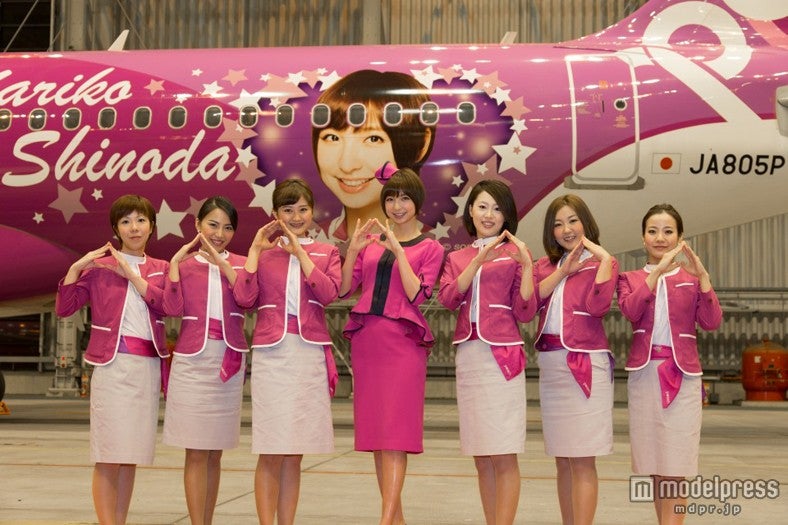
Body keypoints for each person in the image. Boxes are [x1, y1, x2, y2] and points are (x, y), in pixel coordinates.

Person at [55, 194, 169, 525]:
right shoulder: (100, 269)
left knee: (129, 455)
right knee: (108, 455)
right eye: (126, 221)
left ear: (152, 226)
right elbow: (65, 308)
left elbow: (168, 306)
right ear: (116, 229)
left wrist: (132, 275)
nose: (134, 227)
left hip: (147, 369)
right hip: (112, 366)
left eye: (141, 220)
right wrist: (76, 268)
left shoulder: (161, 269)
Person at [339, 167, 444, 525]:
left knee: (397, 434)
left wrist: (398, 251)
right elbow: (344, 290)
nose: (397, 206)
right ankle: (394, 521)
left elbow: (418, 294)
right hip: (368, 342)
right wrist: (353, 252)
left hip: (403, 345)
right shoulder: (370, 242)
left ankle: (384, 521)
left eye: (405, 199)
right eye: (391, 198)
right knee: (377, 435)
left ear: (418, 202)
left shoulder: (431, 247)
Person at [233, 179, 341, 525]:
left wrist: (301, 255)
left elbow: (329, 294)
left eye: (303, 209)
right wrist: (254, 251)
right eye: (288, 210)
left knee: (294, 453)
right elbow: (244, 298)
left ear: (313, 212)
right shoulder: (265, 254)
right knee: (270, 450)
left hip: (309, 356)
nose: (296, 217)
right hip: (272, 356)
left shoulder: (327, 253)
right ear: (275, 214)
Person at [437, 180, 536, 524]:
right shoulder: (457, 257)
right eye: (482, 206)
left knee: (503, 452)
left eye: (497, 208)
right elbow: (448, 298)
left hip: (502, 357)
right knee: (481, 455)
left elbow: (525, 311)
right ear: (471, 211)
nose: (489, 214)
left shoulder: (516, 254)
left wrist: (527, 265)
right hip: (469, 356)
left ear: (507, 215)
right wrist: (477, 261)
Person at [617, 204, 722, 525]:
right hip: (644, 376)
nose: (660, 238)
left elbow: (711, 321)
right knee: (655, 463)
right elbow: (631, 311)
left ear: (680, 237)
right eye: (652, 231)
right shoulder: (630, 279)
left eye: (668, 231)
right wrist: (657, 273)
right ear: (643, 237)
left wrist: (703, 277)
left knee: (676, 464)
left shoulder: (692, 280)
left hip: (683, 375)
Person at [161, 196, 248, 525]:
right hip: (192, 364)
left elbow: (249, 298)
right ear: (197, 225)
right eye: (212, 225)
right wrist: (173, 267)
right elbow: (170, 309)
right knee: (196, 451)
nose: (219, 234)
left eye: (227, 227)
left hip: (228, 362)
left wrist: (226, 266)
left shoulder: (243, 265)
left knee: (215, 452)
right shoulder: (183, 265)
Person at [532, 194, 618, 525]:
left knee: (582, 459)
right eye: (558, 224)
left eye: (573, 221)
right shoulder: (543, 267)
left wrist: (603, 256)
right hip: (551, 366)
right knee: (562, 459)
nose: (566, 229)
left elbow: (598, 307)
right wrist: (562, 272)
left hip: (586, 364)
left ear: (586, 223)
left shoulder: (602, 264)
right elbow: (528, 306)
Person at [311, 69, 436, 242]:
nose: (347, 165)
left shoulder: (428, 244)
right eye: (332, 137)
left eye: (373, 139)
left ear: (421, 144)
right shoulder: (315, 239)